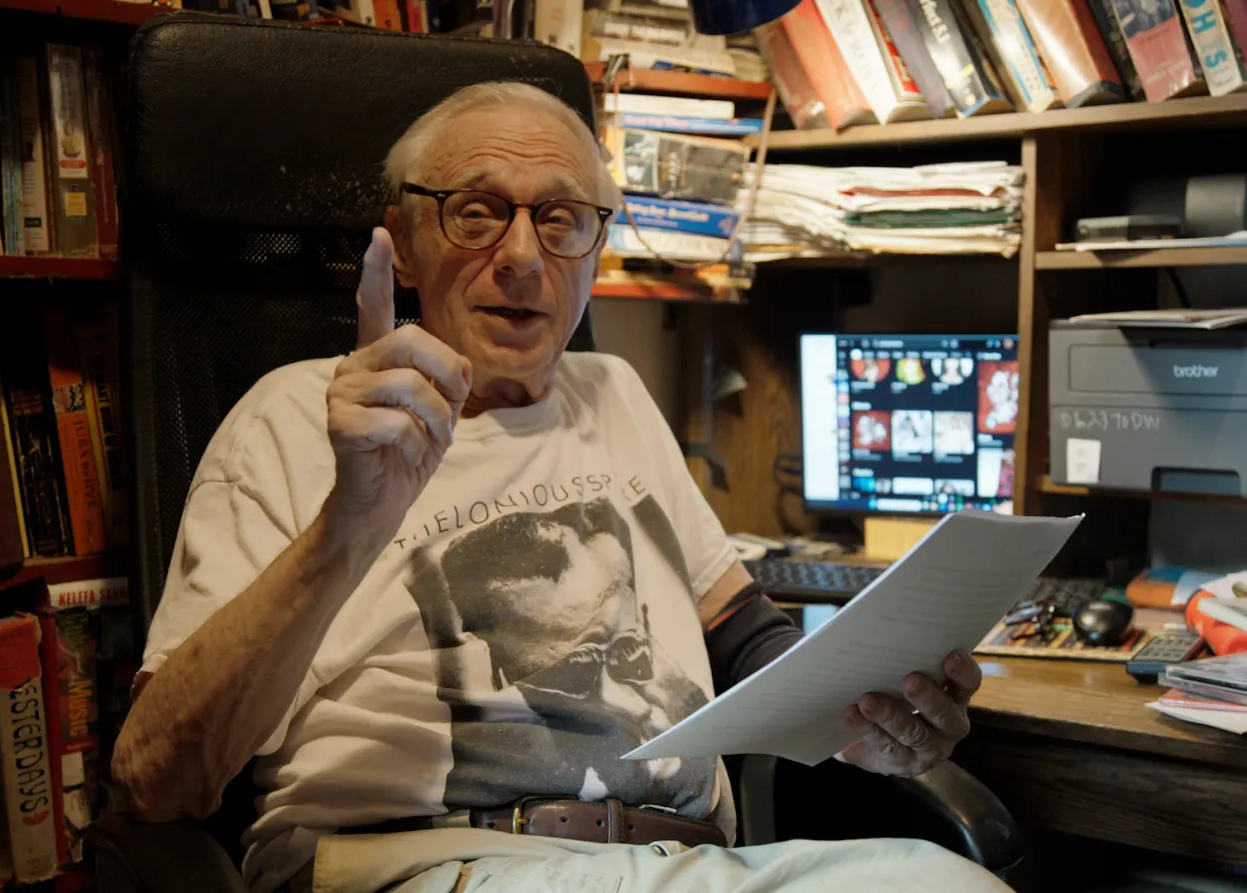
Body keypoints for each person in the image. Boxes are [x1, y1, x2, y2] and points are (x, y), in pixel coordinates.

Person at [111, 82, 1007, 893]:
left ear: (593, 245)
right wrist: (351, 522)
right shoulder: (294, 416)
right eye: (476, 213)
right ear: (405, 244)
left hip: (690, 862)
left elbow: (744, 637)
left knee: (951, 882)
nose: (523, 258)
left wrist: (871, 712)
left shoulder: (612, 392)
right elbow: (158, 779)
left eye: (562, 218)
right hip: (435, 863)